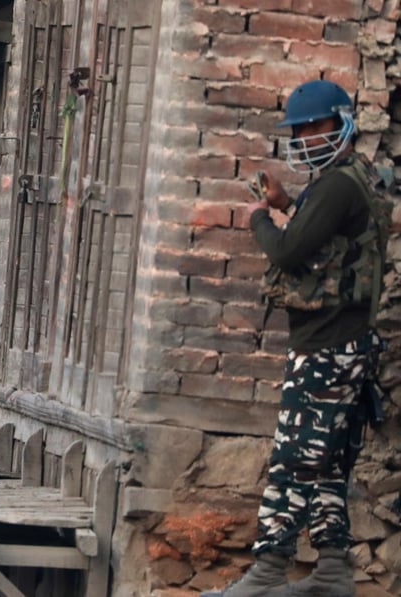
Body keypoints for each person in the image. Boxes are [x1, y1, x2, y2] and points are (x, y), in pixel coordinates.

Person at [202, 80, 386, 597]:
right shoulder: (350, 178)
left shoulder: (338, 185)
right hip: (346, 343)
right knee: (327, 462)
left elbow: (288, 251)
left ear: (343, 124)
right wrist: (286, 201)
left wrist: (261, 216)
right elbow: (320, 230)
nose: (306, 137)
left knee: (295, 459)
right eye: (299, 129)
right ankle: (331, 573)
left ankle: (267, 574)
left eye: (316, 126)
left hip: (329, 347)